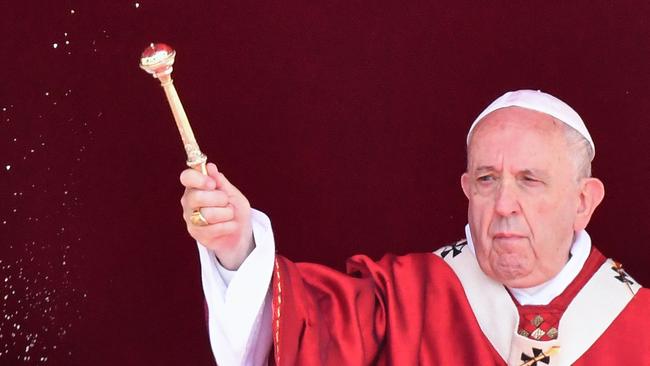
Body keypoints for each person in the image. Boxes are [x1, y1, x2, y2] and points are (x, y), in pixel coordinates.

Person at [179, 90, 649, 365]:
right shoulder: (407, 297)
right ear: (467, 188)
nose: (504, 204)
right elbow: (303, 332)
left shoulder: (640, 323)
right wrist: (237, 248)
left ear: (583, 201)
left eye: (530, 181)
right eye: (487, 180)